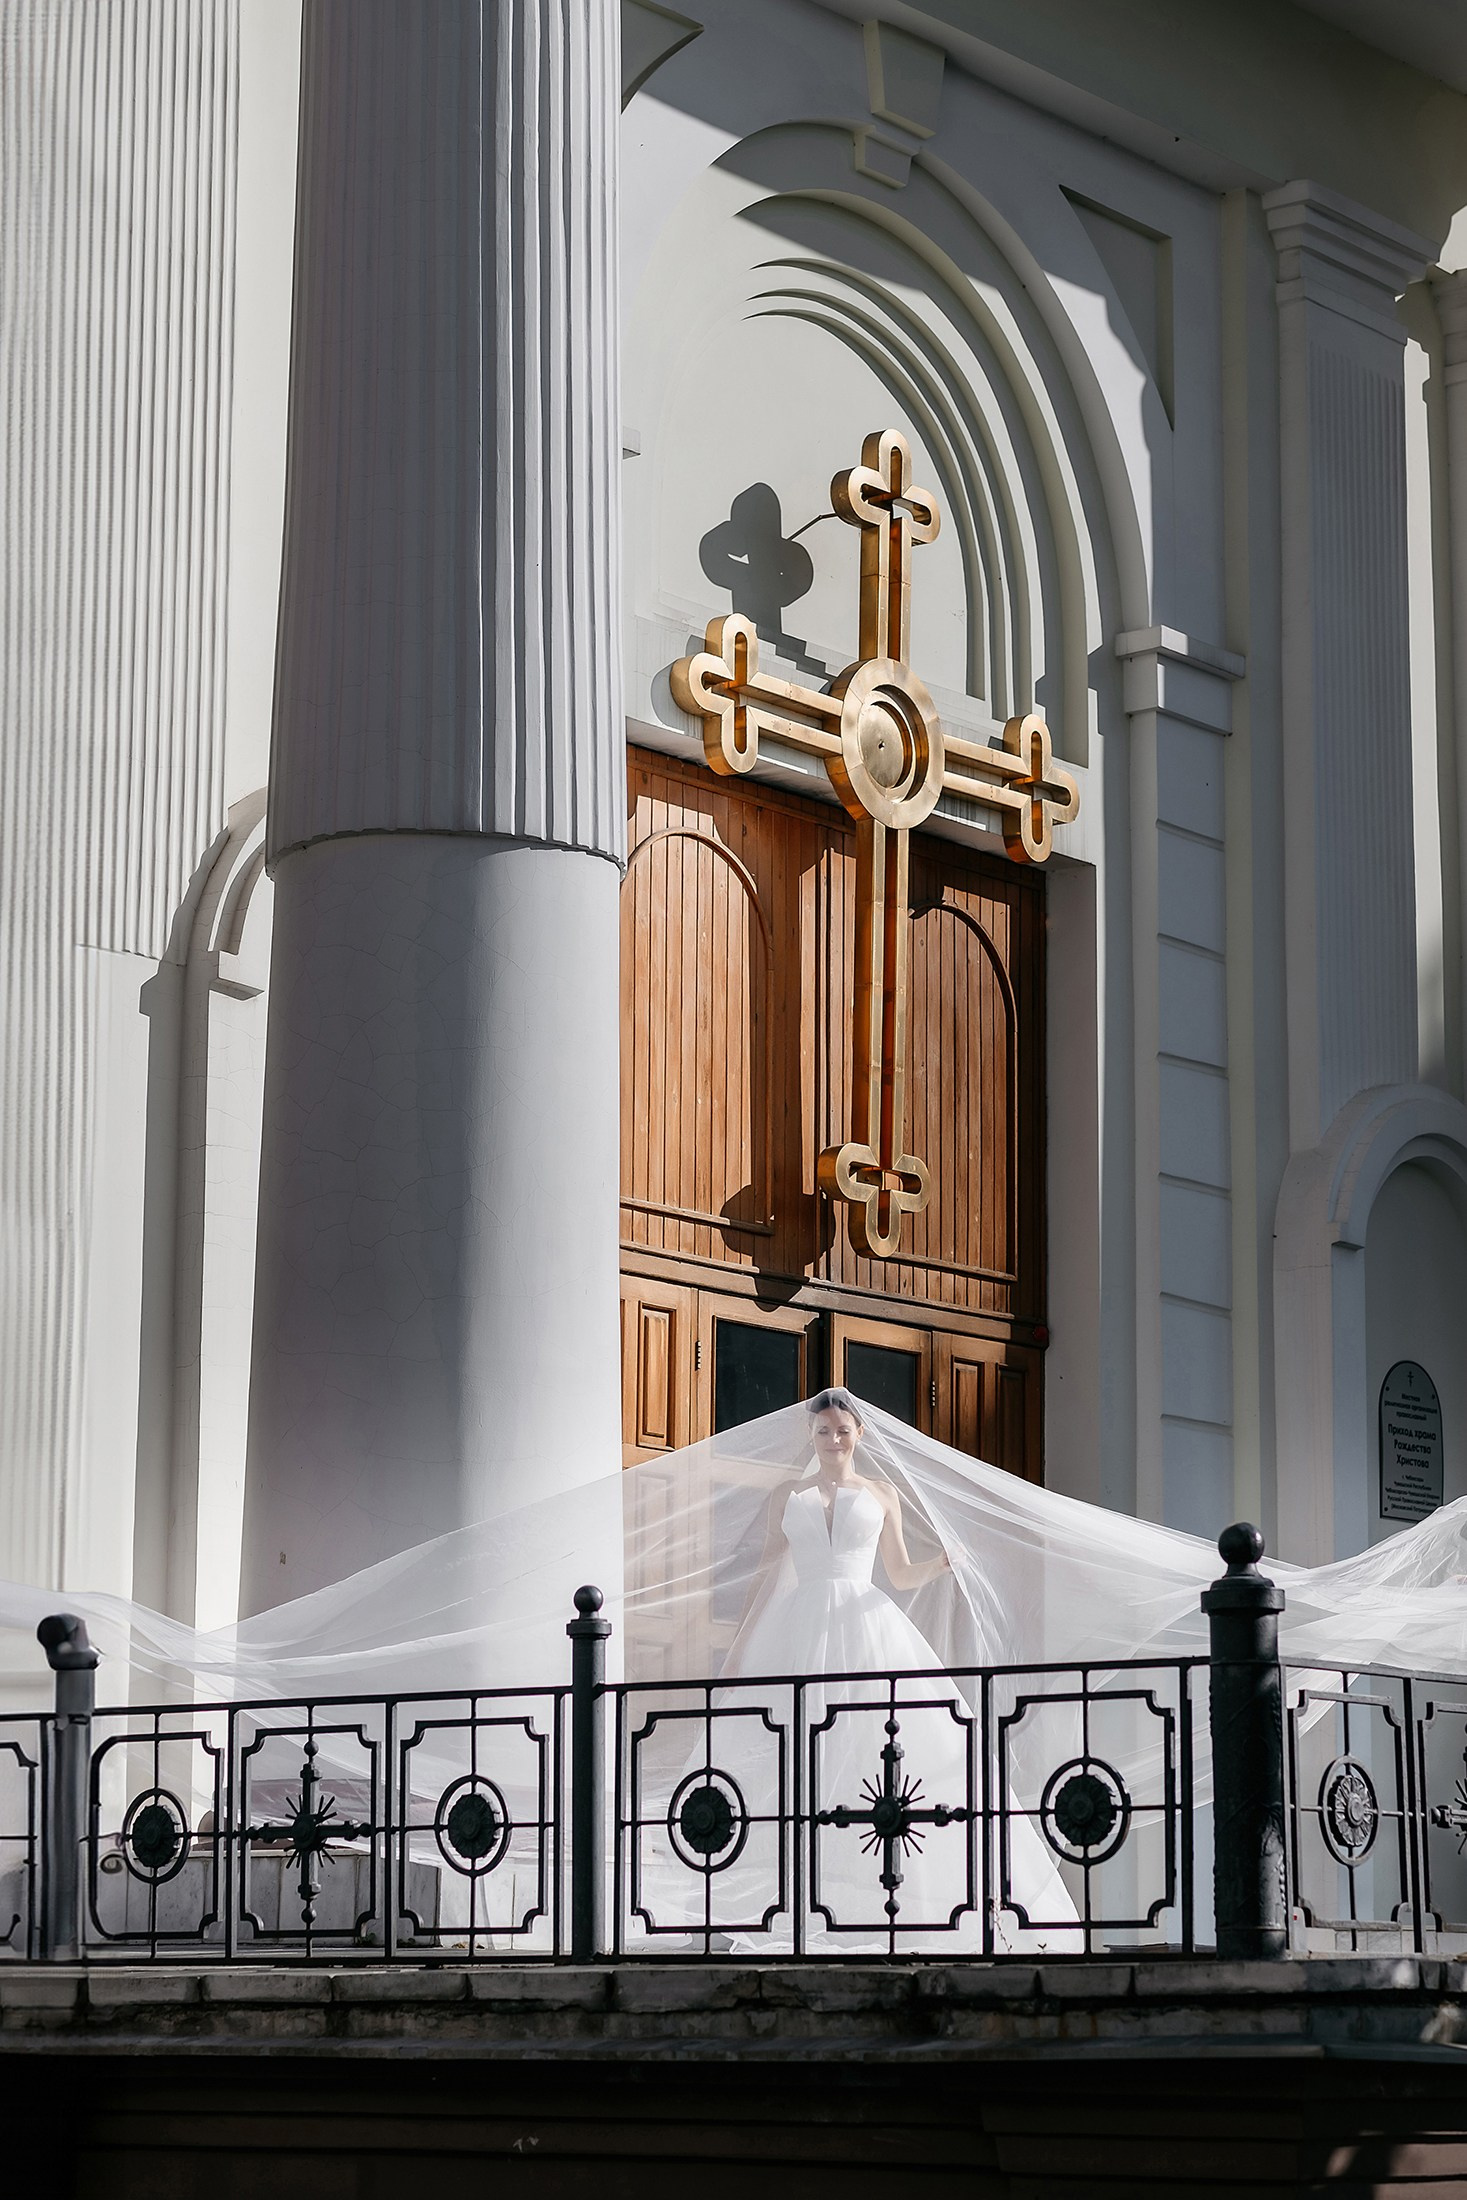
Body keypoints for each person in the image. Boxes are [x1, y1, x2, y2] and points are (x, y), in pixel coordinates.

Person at [658, 1388, 1081, 1953]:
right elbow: (764, 1574)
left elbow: (900, 1575)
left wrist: (945, 1562)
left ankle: (889, 1907)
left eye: (841, 1430)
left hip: (866, 1626)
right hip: (797, 1629)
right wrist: (739, 1649)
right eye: (823, 1431)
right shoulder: (790, 1493)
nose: (833, 1440)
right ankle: (769, 1907)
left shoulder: (882, 1494)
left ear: (859, 1433)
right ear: (810, 1436)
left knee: (878, 1751)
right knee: (788, 1756)